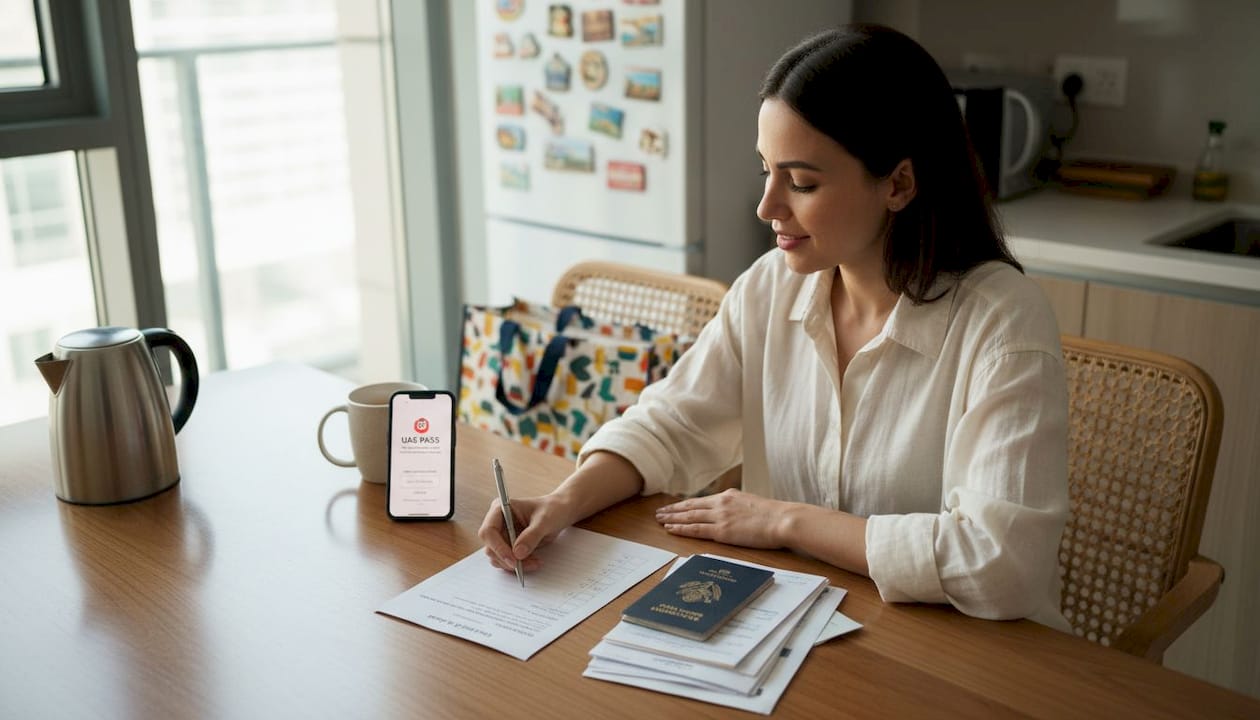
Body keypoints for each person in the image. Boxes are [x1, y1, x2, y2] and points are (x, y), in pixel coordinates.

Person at [479, 24, 1071, 630]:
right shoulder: (770, 286)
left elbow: (1002, 566)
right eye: (765, 170)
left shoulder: (1002, 324)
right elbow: (673, 423)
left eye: (802, 182)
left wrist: (784, 521)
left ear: (898, 183)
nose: (767, 206)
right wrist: (560, 503)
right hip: (797, 632)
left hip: (967, 660)